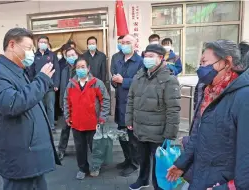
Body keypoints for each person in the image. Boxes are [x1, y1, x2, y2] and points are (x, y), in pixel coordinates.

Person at [167, 40, 249, 190]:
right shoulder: (211, 91)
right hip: (203, 175)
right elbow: (198, 133)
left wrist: (228, 188)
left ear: (226, 62)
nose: (200, 68)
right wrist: (182, 163)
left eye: (204, 62)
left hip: (221, 182)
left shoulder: (248, 96)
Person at [0, 27, 60, 190]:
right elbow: (12, 104)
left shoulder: (17, 71)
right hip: (19, 157)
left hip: (30, 155)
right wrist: (42, 81)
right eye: (28, 48)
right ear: (12, 45)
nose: (31, 53)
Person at [126, 44, 181, 190]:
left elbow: (173, 109)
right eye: (146, 56)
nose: (147, 59)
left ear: (161, 58)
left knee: (159, 164)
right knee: (142, 158)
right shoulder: (139, 76)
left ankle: (159, 186)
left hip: (158, 132)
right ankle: (142, 179)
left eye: (151, 56)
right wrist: (129, 120)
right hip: (140, 128)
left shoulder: (169, 79)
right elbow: (131, 99)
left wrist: (170, 134)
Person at [63, 57, 110, 180]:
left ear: (88, 68)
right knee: (80, 149)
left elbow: (105, 99)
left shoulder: (96, 83)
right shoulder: (71, 84)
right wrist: (67, 117)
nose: (80, 69)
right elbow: (66, 101)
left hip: (93, 123)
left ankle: (95, 167)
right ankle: (82, 168)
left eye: (83, 67)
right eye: (78, 67)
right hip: (76, 123)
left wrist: (102, 117)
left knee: (95, 148)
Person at [111, 34, 144, 177]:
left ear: (135, 44)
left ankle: (134, 164)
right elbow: (114, 80)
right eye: (122, 42)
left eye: (128, 42)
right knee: (122, 136)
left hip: (133, 106)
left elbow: (141, 83)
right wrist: (114, 81)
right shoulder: (118, 60)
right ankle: (127, 159)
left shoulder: (140, 62)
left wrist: (123, 81)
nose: (124, 44)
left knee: (132, 139)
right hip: (120, 104)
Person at [29, 35, 60, 132]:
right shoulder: (33, 56)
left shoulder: (52, 55)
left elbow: (57, 70)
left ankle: (51, 126)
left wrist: (56, 84)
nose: (43, 44)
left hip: (50, 86)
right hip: (38, 86)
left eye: (45, 42)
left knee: (50, 106)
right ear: (37, 44)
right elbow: (31, 72)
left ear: (47, 44)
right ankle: (42, 126)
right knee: (40, 107)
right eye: (41, 42)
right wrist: (32, 84)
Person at [57, 47, 78, 160]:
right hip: (67, 104)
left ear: (77, 55)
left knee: (78, 130)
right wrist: (61, 103)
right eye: (68, 55)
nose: (71, 57)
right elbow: (62, 88)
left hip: (79, 104)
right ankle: (61, 150)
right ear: (65, 57)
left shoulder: (82, 68)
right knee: (65, 128)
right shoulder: (64, 70)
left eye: (73, 54)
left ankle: (82, 150)